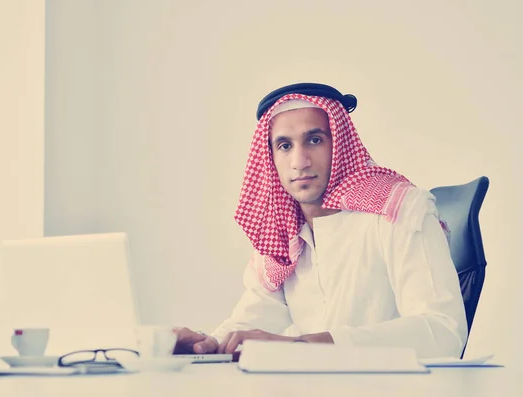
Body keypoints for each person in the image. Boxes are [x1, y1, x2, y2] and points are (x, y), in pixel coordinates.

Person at [173, 83, 468, 359]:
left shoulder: (399, 209)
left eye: (314, 140)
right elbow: (256, 315)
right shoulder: (281, 231)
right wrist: (207, 345)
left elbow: (443, 332)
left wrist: (305, 346)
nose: (299, 161)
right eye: (285, 146)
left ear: (338, 145)